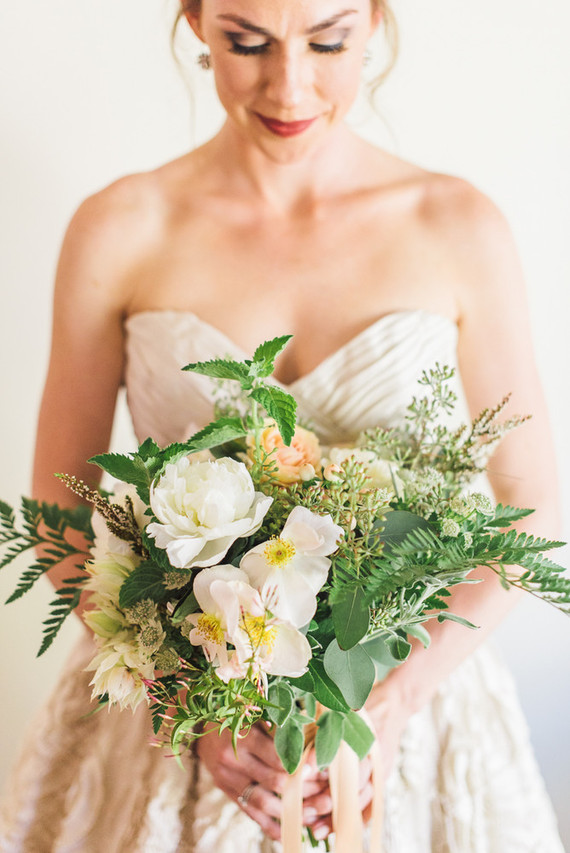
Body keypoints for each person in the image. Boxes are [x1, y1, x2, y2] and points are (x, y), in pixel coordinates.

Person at [0, 0, 565, 850]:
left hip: (410, 718)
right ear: (195, 23)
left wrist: (401, 694)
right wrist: (181, 698)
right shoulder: (120, 227)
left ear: (374, 20)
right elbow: (58, 502)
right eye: (247, 41)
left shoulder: (457, 226)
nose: (290, 84)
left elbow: (534, 503)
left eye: (329, 40)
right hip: (177, 721)